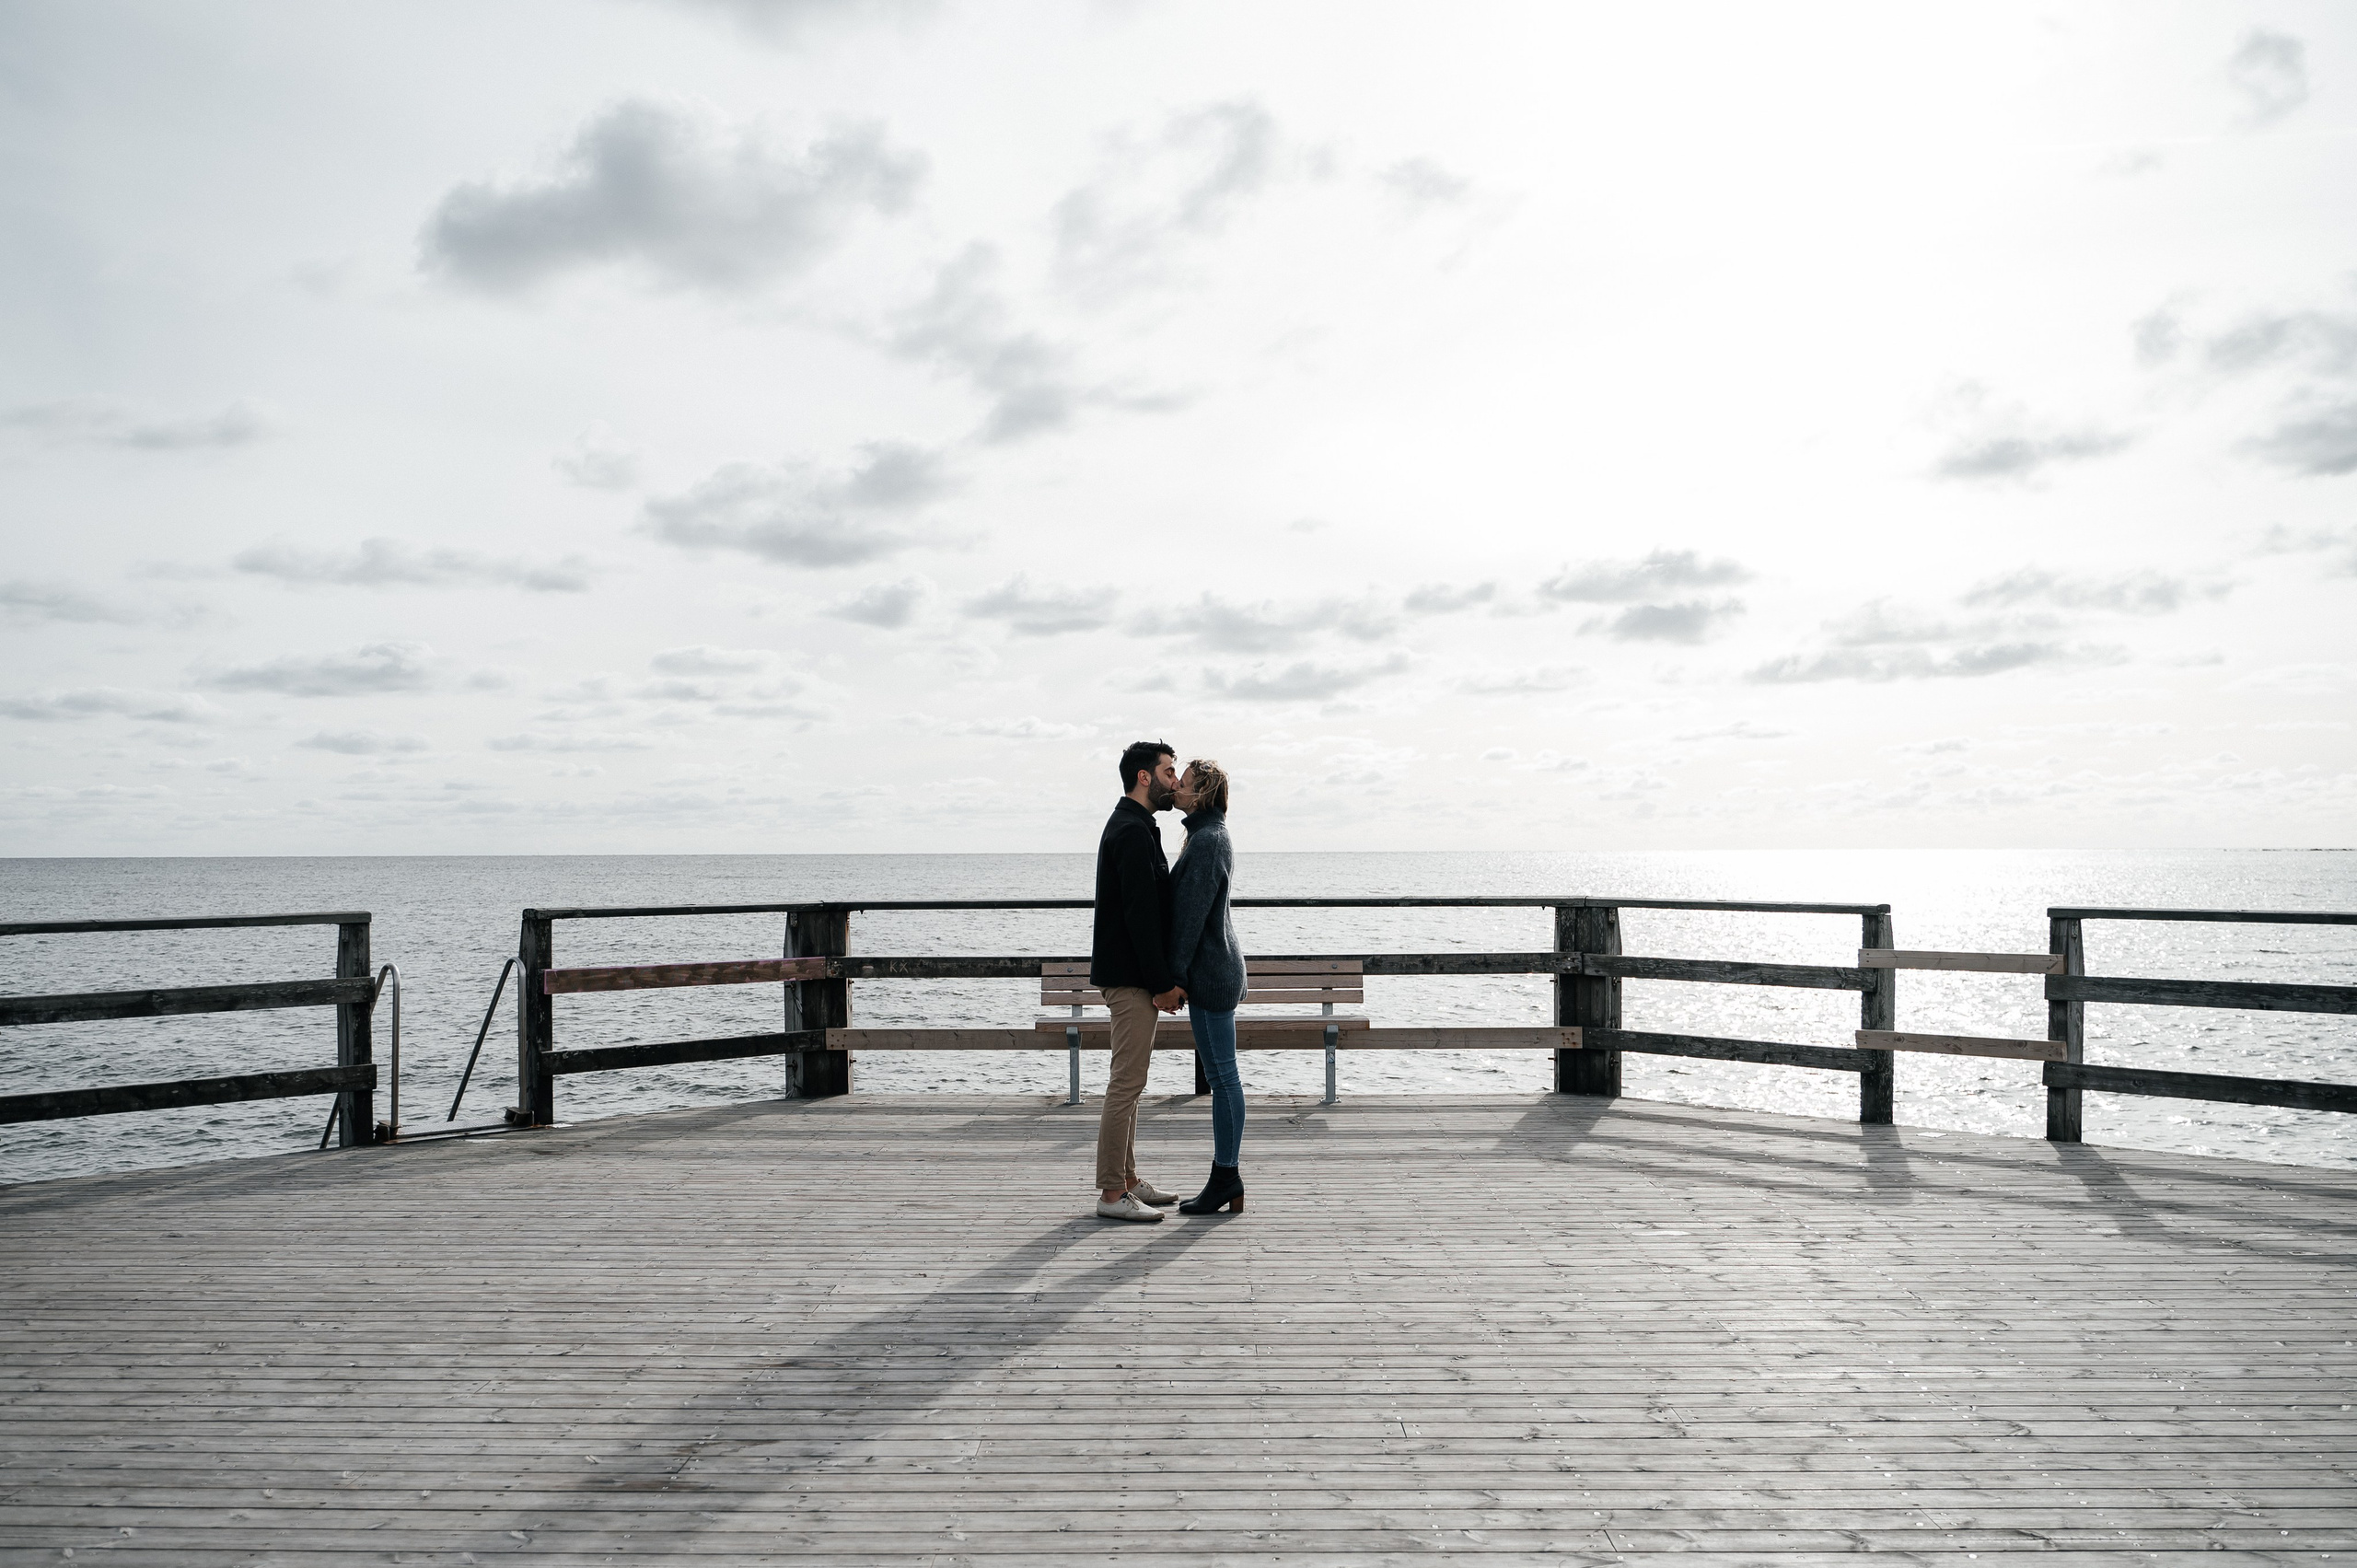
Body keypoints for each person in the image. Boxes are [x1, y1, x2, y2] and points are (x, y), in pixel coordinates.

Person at [1090, 739, 1187, 1223]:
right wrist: (1161, 983)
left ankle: (1127, 1180)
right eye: (1169, 771)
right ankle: (1111, 1194)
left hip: (1131, 975)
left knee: (1131, 1081)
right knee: (1125, 1084)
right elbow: (1139, 917)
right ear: (1144, 777)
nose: (1176, 780)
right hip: (1130, 978)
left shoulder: (1138, 826)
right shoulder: (1130, 831)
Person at [1167, 759, 1245, 1215]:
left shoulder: (1207, 840)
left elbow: (1190, 919)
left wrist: (1175, 977)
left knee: (1223, 1078)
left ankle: (1226, 1175)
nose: (1176, 786)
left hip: (1212, 973)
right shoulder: (1208, 835)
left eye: (1185, 782)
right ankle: (1226, 1175)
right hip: (1217, 967)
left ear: (1202, 793)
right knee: (1223, 1076)